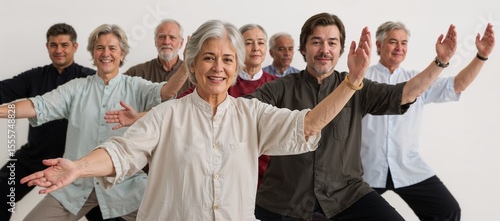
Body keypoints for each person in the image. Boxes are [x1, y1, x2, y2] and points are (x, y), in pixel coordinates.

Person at [18, 18, 371, 221]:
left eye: (228, 60)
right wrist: (79, 167)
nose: (218, 68)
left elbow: (307, 125)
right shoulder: (167, 114)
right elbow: (121, 151)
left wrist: (352, 83)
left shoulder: (252, 114)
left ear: (236, 67)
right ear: (192, 63)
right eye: (208, 58)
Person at [249, 12, 457, 220]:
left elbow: (406, 93)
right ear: (303, 48)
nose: (324, 50)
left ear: (340, 50)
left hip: (347, 196)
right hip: (287, 201)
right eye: (316, 42)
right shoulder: (280, 88)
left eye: (332, 43)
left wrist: (440, 61)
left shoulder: (359, 87)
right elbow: (243, 112)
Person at [0, 24, 182, 220]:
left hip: (123, 185)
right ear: (93, 54)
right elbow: (37, 106)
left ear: (122, 54)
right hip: (73, 183)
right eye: (100, 48)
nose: (106, 53)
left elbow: (167, 92)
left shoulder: (136, 86)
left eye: (112, 48)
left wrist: (188, 65)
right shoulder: (76, 87)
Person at [361, 21, 495, 220]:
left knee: (447, 211)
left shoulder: (418, 80)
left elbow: (457, 85)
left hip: (408, 167)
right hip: (366, 170)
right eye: (393, 42)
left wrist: (482, 56)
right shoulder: (361, 79)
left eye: (404, 43)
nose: (399, 48)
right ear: (379, 46)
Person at [0, 23, 111, 221]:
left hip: (76, 161)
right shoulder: (34, 77)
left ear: (75, 47)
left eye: (64, 45)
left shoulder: (89, 79)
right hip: (35, 156)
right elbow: (4, 90)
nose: (59, 50)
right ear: (47, 46)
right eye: (53, 45)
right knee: (0, 190)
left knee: (106, 210)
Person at [178, 23, 277, 186]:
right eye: (248, 42)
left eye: (260, 42)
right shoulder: (219, 83)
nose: (255, 48)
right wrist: (140, 116)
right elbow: (178, 107)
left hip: (268, 179)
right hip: (226, 174)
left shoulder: (276, 85)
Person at [124, 18, 192, 95]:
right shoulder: (136, 72)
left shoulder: (193, 74)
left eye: (172, 37)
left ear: (181, 43)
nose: (166, 42)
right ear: (155, 41)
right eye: (162, 37)